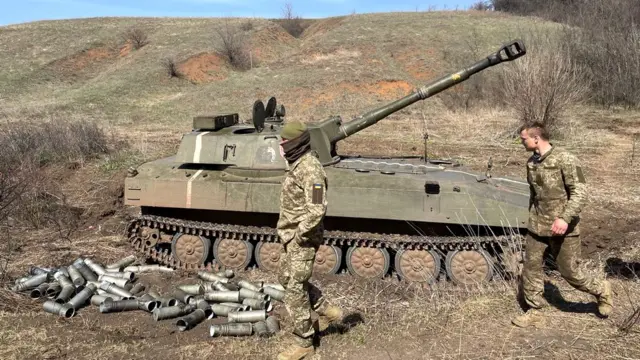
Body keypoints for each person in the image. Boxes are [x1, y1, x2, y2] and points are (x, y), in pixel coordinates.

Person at [512, 122, 613, 328]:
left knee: (570, 273)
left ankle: (602, 290)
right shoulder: (531, 162)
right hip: (537, 227)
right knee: (530, 268)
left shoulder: (567, 159)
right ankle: (535, 311)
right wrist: (532, 217)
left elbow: (581, 192)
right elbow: (535, 195)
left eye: (524, 139)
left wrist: (564, 218)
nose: (521, 142)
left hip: (564, 228)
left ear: (536, 138)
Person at [276, 120, 343, 360]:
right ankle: (327, 310)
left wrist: (299, 235)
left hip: (301, 239)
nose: (280, 146)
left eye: (283, 142)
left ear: (293, 143)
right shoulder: (298, 165)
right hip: (292, 236)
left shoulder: (311, 169)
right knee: (285, 277)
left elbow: (317, 209)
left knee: (294, 289)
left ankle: (304, 343)